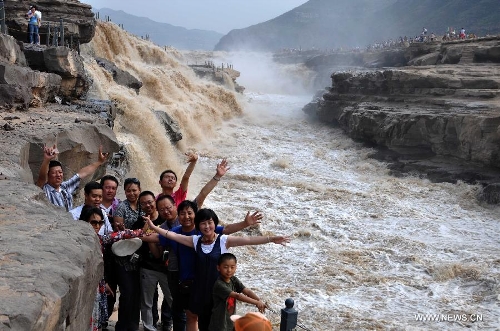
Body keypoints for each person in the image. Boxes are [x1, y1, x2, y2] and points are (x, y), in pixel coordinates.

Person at [145, 209, 290, 331]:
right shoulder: (195, 241)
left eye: (210, 222)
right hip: (201, 293)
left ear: (215, 224)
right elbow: (171, 235)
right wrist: (153, 226)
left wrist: (271, 239)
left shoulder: (224, 240)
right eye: (203, 223)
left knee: (224, 325)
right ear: (198, 226)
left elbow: (248, 240)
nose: (207, 226)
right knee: (204, 325)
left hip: (222, 294)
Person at [136, 191, 174, 331]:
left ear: (155, 203)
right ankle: (148, 327)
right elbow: (135, 239)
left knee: (171, 299)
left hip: (166, 269)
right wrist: (143, 232)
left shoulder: (165, 222)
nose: (147, 205)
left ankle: (175, 324)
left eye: (150, 202)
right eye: (144, 203)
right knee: (147, 301)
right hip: (147, 267)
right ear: (140, 205)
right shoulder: (139, 222)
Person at [36, 144, 109, 212]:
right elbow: (41, 178)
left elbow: (82, 173)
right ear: (48, 175)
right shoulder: (44, 189)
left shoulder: (65, 187)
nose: (58, 175)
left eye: (60, 172)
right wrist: (47, 160)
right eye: (54, 173)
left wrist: (99, 162)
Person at [112, 177, 143, 331]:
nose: (132, 193)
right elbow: (118, 233)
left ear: (139, 190)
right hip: (123, 256)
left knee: (136, 291)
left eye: (134, 190)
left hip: (140, 256)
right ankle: (122, 325)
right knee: (127, 291)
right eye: (128, 190)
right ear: (124, 191)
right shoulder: (121, 208)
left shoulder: (143, 206)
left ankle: (133, 324)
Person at [209, 253, 266, 331]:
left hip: (230, 321)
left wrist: (259, 301)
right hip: (219, 324)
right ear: (218, 268)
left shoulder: (233, 279)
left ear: (236, 267)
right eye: (225, 267)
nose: (229, 270)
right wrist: (256, 303)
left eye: (232, 267)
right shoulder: (219, 284)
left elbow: (247, 291)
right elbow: (237, 296)